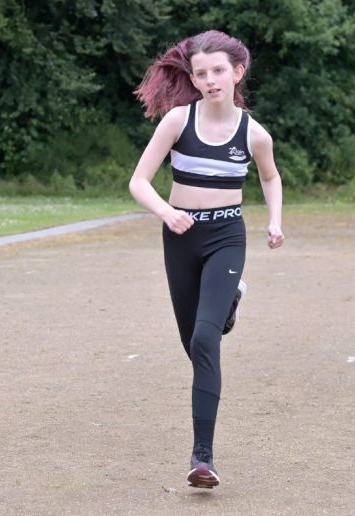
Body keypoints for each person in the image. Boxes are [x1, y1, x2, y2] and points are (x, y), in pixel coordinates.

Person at [130, 30, 284, 488]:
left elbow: (271, 178)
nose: (210, 80)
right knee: (194, 348)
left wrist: (274, 220)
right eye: (201, 73)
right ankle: (228, 303)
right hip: (180, 237)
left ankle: (203, 458)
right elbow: (139, 181)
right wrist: (166, 211)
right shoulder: (177, 121)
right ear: (193, 79)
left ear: (237, 73)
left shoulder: (254, 133)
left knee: (203, 340)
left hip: (226, 237)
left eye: (219, 71)